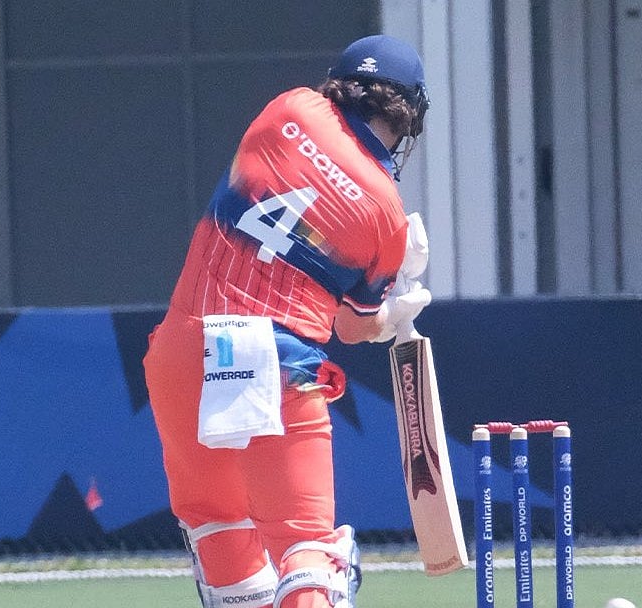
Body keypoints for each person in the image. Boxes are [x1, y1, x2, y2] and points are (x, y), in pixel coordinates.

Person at [143, 34, 434, 608]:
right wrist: (394, 308)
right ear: (405, 114)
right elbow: (352, 327)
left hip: (180, 351)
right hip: (270, 361)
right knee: (308, 553)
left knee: (218, 532)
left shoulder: (286, 110)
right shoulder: (386, 213)